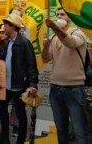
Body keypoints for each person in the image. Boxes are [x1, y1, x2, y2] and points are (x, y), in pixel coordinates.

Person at [0, 11, 39, 144]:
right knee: (2, 109)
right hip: (5, 84)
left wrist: (32, 84)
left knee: (20, 114)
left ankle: (20, 141)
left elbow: (31, 65)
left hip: (18, 85)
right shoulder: (8, 42)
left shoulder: (24, 43)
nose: (4, 26)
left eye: (6, 24)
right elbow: (6, 59)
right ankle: (4, 138)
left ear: (12, 26)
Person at [41, 8, 88, 144]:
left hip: (74, 89)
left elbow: (70, 42)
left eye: (63, 14)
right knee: (61, 129)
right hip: (55, 88)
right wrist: (45, 46)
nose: (59, 16)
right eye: (58, 15)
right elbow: (45, 58)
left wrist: (54, 27)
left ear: (70, 18)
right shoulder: (54, 36)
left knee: (80, 132)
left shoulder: (79, 33)